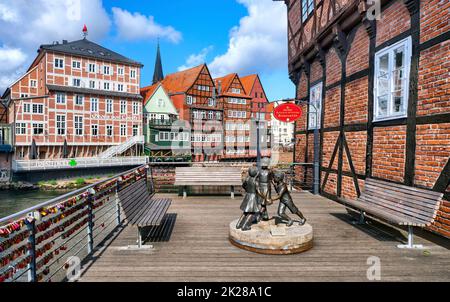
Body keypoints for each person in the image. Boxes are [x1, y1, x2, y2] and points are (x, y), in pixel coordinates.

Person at [236, 166, 261, 231]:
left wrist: (247, 189)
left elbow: (243, 185)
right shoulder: (256, 181)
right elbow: (258, 191)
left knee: (246, 211)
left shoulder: (247, 179)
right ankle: (245, 226)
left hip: (247, 196)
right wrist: (264, 197)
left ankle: (238, 224)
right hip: (253, 197)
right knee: (252, 213)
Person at [256, 157, 272, 221]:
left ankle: (259, 215)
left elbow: (271, 179)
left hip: (267, 188)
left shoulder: (270, 171)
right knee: (262, 203)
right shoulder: (259, 171)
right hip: (261, 187)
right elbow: (256, 179)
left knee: (264, 203)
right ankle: (265, 216)